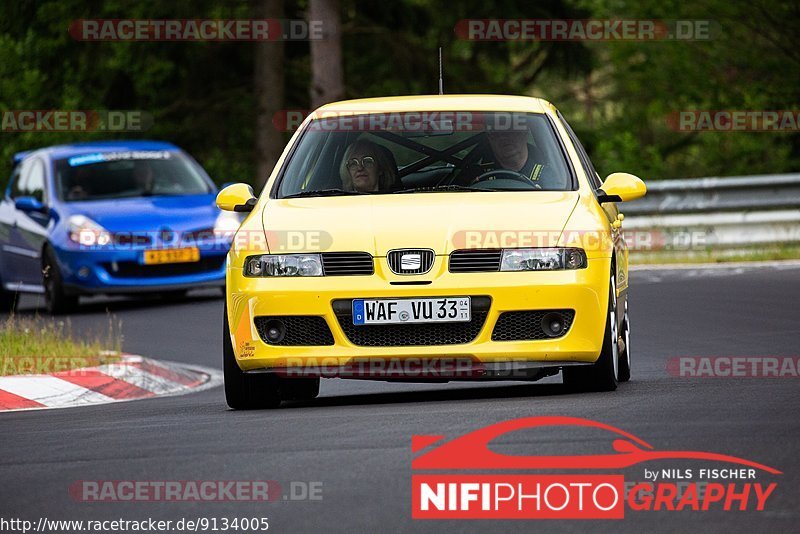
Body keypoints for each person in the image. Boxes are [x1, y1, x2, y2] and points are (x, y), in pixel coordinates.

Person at [461, 129, 549, 186]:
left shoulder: (550, 176)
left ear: (524, 133)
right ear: (489, 139)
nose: (504, 137)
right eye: (496, 134)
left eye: (511, 132)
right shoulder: (474, 175)